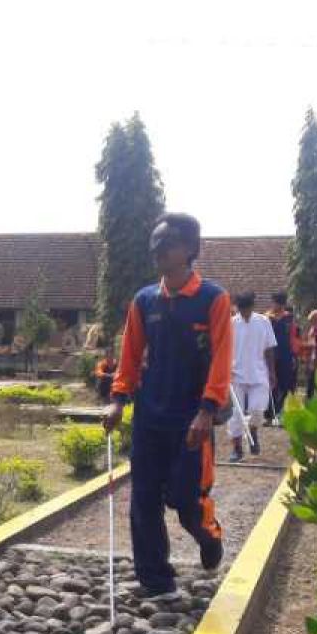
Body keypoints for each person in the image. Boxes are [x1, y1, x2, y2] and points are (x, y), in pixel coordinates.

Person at [102, 212, 231, 596]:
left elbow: (223, 358)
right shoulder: (144, 301)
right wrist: (118, 400)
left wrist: (207, 410)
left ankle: (209, 536)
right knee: (144, 499)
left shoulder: (212, 298)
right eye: (154, 242)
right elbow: (130, 354)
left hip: (193, 417)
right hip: (150, 414)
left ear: (190, 249)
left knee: (185, 499)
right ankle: (156, 580)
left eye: (167, 242)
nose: (157, 249)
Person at [228, 292, 277, 462]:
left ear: (252, 307)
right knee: (236, 414)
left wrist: (272, 372)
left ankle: (253, 430)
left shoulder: (263, 321)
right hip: (235, 374)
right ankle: (237, 448)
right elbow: (223, 349)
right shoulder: (231, 323)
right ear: (237, 308)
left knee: (258, 410)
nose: (244, 312)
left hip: (258, 372)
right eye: (241, 309)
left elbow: (270, 348)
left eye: (247, 309)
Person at [264, 292, 300, 423]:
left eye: (280, 303)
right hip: (270, 355)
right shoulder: (266, 318)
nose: (277, 306)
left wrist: (294, 356)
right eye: (275, 303)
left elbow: (293, 338)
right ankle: (269, 414)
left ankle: (280, 412)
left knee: (286, 384)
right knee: (270, 384)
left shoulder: (289, 319)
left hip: (286, 355)